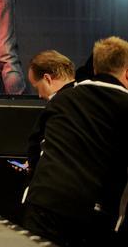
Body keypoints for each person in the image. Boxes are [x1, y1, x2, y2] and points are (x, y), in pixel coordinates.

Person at [22, 36, 128, 245]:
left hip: (43, 204)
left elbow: (34, 147)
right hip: (90, 213)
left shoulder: (62, 99)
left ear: (95, 68)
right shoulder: (124, 105)